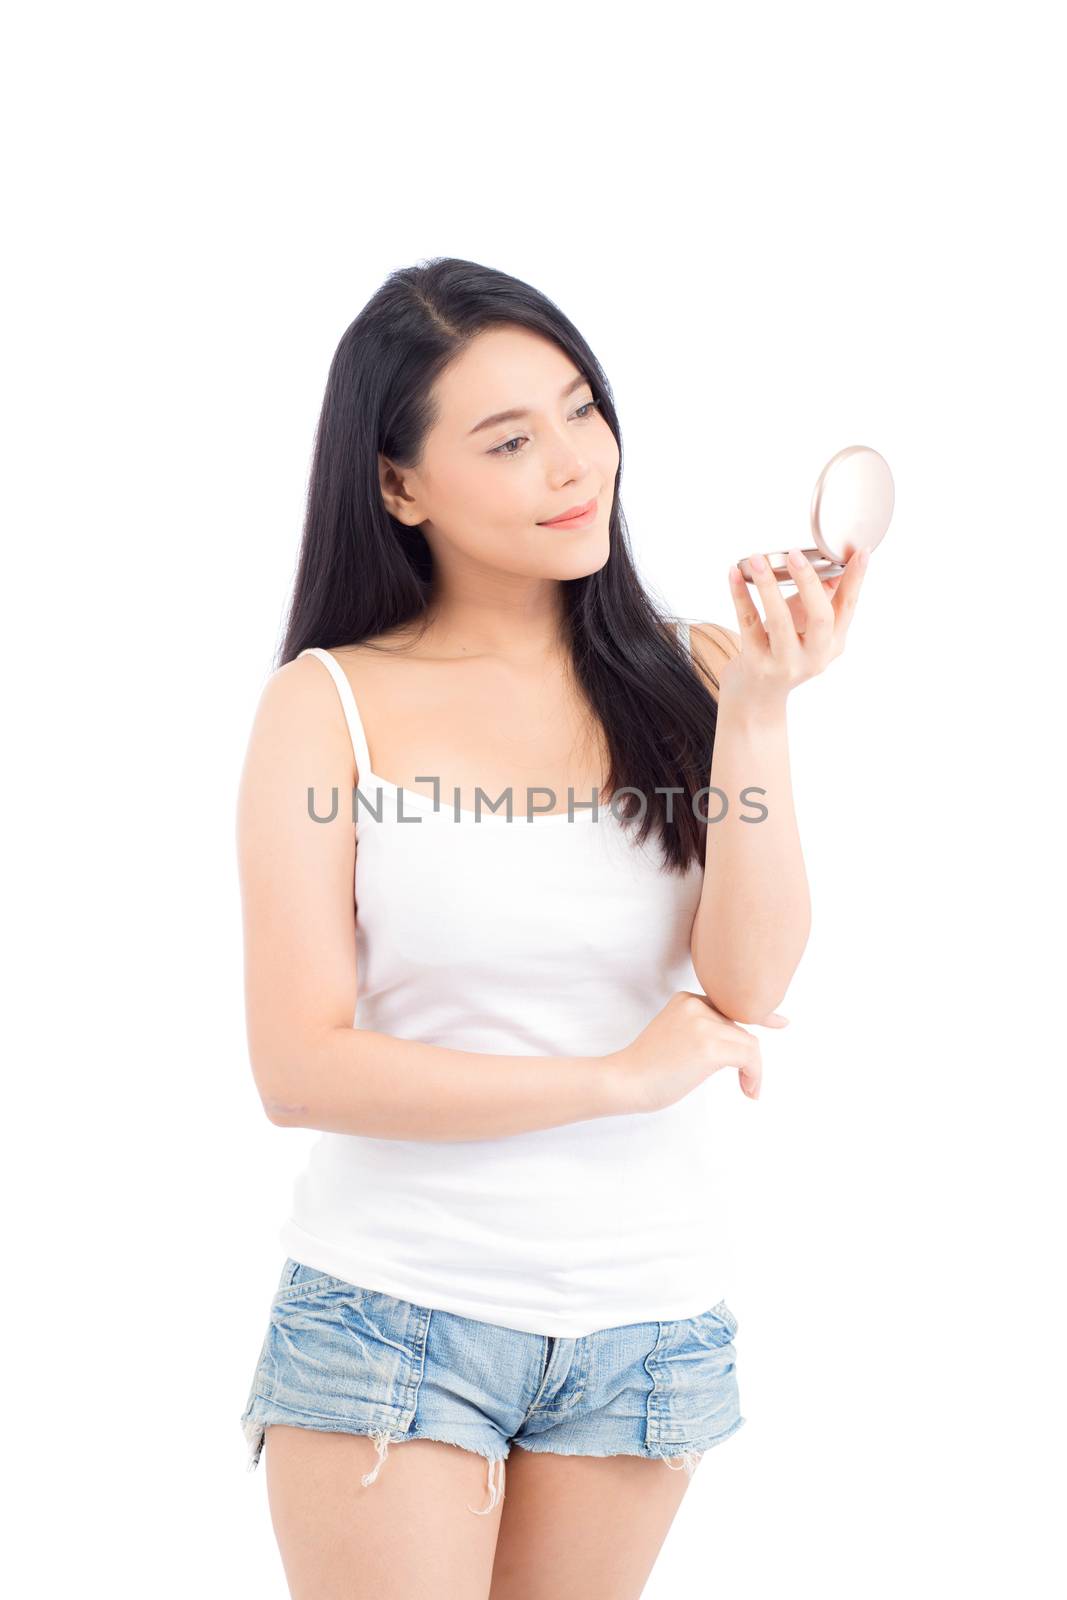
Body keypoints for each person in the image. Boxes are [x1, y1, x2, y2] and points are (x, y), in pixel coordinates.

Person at [235, 256, 867, 1599]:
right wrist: (611, 1080)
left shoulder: (698, 670)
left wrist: (758, 709)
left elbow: (748, 979)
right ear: (399, 486)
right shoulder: (327, 704)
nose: (574, 465)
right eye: (509, 441)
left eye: (580, 411)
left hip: (646, 1323)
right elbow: (299, 1066)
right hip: (395, 1315)